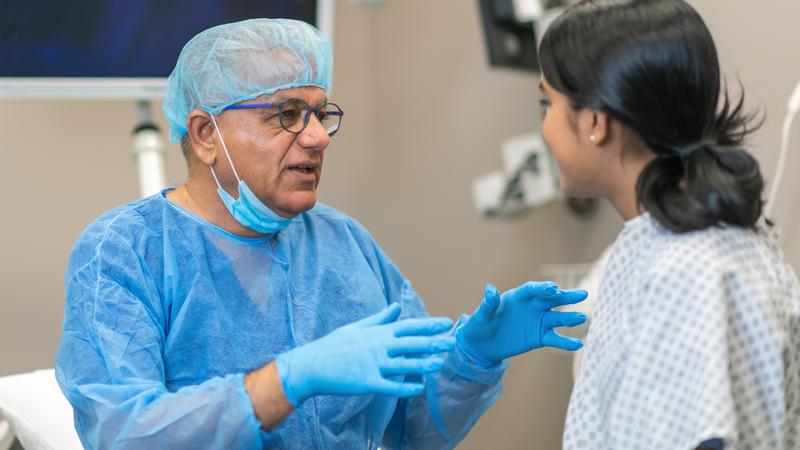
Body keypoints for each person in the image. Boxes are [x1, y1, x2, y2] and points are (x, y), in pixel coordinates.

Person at [55, 18, 589, 449]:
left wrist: (473, 356)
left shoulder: (342, 242)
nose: (317, 137)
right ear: (204, 134)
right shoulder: (125, 252)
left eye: (320, 113)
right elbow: (122, 433)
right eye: (287, 114)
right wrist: (283, 382)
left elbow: (412, 429)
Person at [535, 1, 800, 449]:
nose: (544, 126)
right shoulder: (677, 242)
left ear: (597, 123)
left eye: (549, 103)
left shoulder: (685, 269)